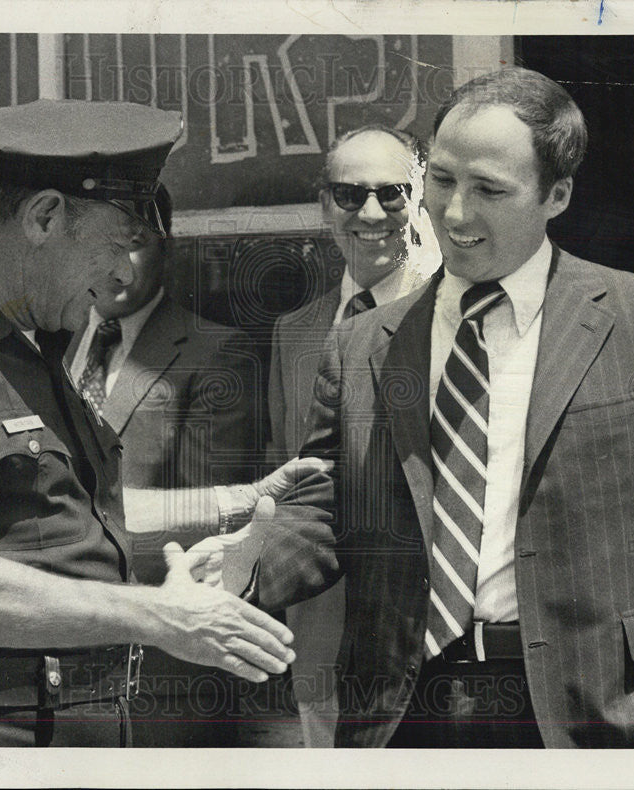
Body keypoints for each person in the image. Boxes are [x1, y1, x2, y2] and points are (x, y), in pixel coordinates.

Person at [216, 67, 634, 748]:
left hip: (600, 717)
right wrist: (249, 568)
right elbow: (329, 510)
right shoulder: (360, 344)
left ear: (556, 195)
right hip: (402, 718)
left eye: (489, 190)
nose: (455, 213)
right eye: (441, 180)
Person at [0, 99, 294, 748]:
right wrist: (157, 614)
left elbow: (70, 521)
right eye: (117, 245)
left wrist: (236, 504)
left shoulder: (29, 346)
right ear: (44, 216)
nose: (124, 273)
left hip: (77, 731)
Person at [66, 182, 298, 746]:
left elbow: (203, 528)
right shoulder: (49, 344)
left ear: (167, 247)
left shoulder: (217, 352)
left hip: (161, 667)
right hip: (53, 661)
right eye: (101, 243)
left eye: (136, 243)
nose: (116, 266)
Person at [267, 124, 427, 746]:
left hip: (417, 654)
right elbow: (301, 489)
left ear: (419, 200)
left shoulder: (453, 316)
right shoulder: (297, 332)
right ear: (322, 205)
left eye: (392, 194)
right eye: (349, 195)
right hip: (321, 646)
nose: (370, 213)